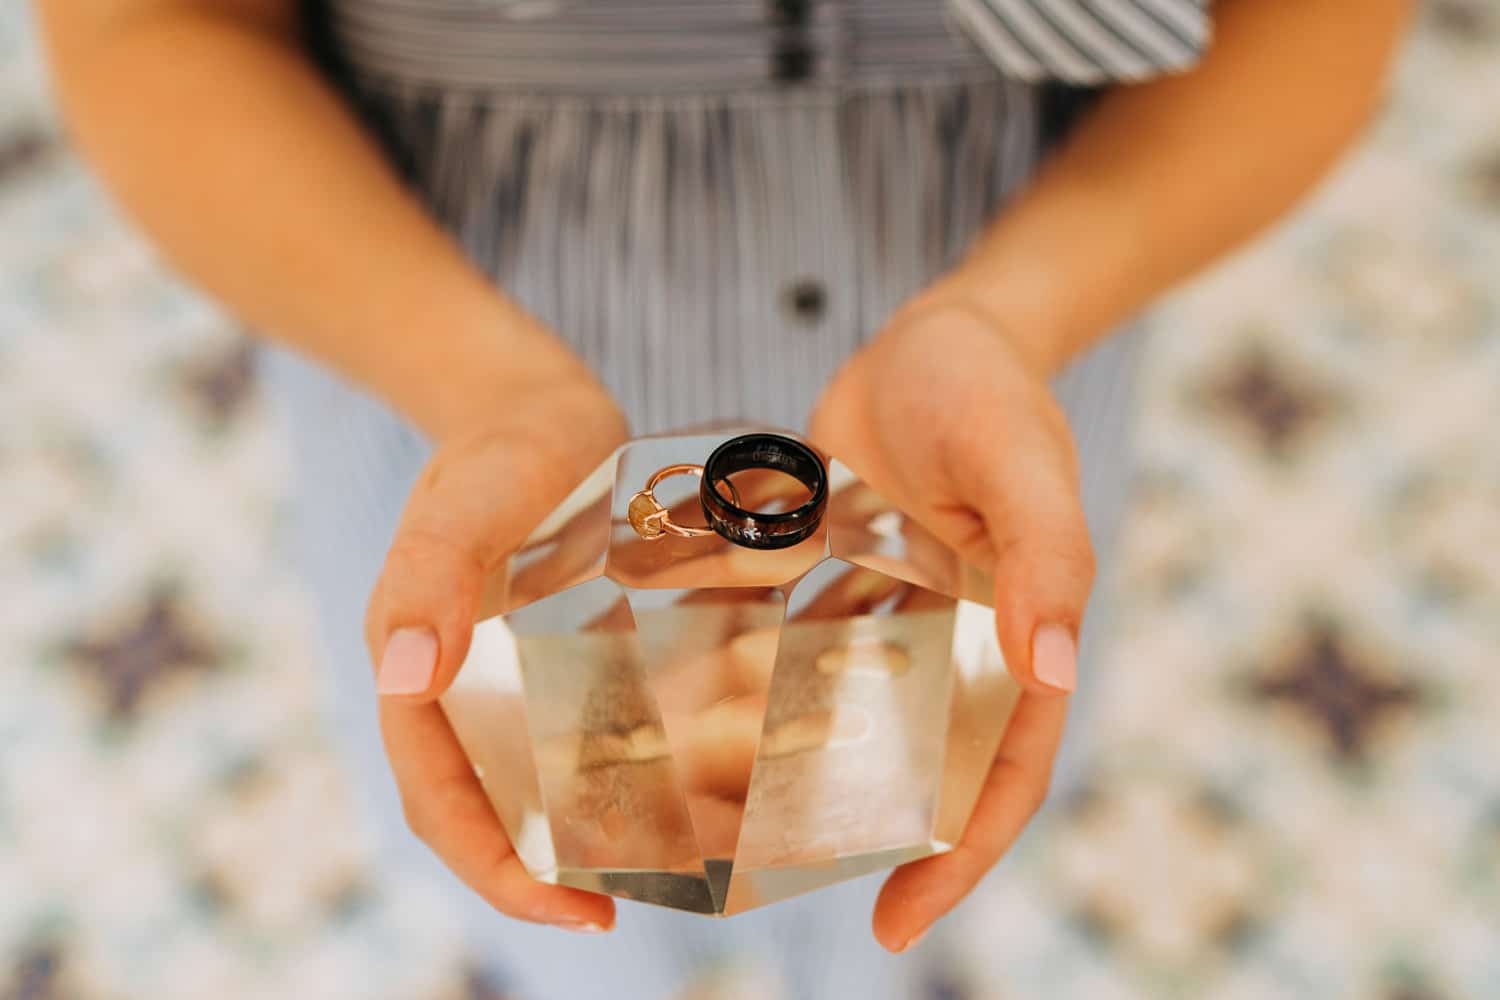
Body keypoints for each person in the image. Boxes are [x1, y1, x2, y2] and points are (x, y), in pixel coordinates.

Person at [40, 0, 1409, 995]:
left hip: (1005, 298)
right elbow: (149, 25)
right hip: (442, 318)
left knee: (897, 837)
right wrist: (479, 384)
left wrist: (1016, 313)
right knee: (562, 866)